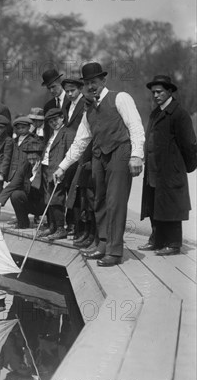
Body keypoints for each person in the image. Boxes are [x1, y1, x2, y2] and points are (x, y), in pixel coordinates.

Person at [54, 62, 145, 267]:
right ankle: (103, 244)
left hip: (120, 153)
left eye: (94, 82)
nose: (91, 86)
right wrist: (62, 167)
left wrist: (137, 155)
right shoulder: (88, 111)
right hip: (99, 156)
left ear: (103, 81)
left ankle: (114, 251)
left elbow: (136, 126)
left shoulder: (120, 98)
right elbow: (80, 142)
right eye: (87, 83)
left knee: (115, 201)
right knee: (99, 201)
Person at [139, 75, 197, 256]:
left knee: (171, 206)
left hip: (171, 171)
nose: (155, 95)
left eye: (159, 92)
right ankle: (157, 240)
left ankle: (173, 244)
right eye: (153, 92)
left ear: (169, 91)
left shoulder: (179, 114)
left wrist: (184, 167)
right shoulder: (155, 112)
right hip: (154, 169)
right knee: (155, 204)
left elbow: (189, 144)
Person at [36, 108, 75, 240]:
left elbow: (71, 154)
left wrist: (63, 170)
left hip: (57, 170)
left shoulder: (68, 133)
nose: (53, 123)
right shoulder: (52, 133)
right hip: (46, 168)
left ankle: (60, 228)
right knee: (48, 199)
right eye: (50, 121)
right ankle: (52, 226)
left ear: (62, 118)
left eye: (56, 120)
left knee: (56, 198)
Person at [0, 139, 45, 229]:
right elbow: (12, 185)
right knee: (16, 194)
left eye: (35, 159)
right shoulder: (25, 166)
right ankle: (23, 223)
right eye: (30, 159)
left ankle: (52, 224)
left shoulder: (46, 167)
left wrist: (35, 176)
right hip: (31, 202)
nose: (32, 162)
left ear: (40, 157)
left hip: (44, 204)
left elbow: (42, 190)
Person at [61, 77, 84, 235]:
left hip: (81, 151)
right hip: (68, 151)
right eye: (67, 91)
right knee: (68, 186)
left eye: (72, 90)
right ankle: (70, 224)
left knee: (78, 189)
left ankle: (79, 227)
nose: (69, 94)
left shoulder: (86, 104)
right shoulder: (67, 104)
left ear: (80, 89)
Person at [42, 69, 70, 141]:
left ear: (60, 82)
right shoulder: (48, 106)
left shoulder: (71, 100)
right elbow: (47, 131)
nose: (51, 91)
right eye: (49, 88)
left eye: (53, 87)